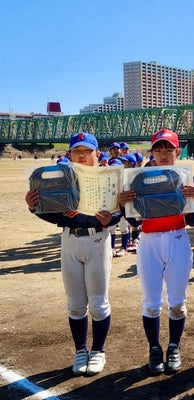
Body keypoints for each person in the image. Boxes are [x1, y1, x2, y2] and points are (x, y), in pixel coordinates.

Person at [25, 132, 121, 376]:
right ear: (69, 154)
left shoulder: (107, 177)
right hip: (69, 240)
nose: (82, 155)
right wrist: (33, 207)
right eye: (77, 151)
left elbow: (120, 212)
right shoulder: (62, 178)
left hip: (97, 239)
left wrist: (111, 218)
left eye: (87, 151)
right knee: (76, 305)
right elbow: (53, 214)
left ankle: (98, 351)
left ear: (96, 154)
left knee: (98, 304)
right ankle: (81, 350)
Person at [119, 128, 194, 374]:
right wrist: (125, 205)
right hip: (149, 242)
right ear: (152, 152)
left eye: (169, 150)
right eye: (159, 150)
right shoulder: (138, 180)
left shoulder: (184, 179)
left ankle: (174, 347)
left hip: (177, 238)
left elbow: (192, 221)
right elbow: (135, 223)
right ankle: (155, 348)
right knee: (151, 302)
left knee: (177, 302)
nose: (164, 155)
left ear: (177, 152)